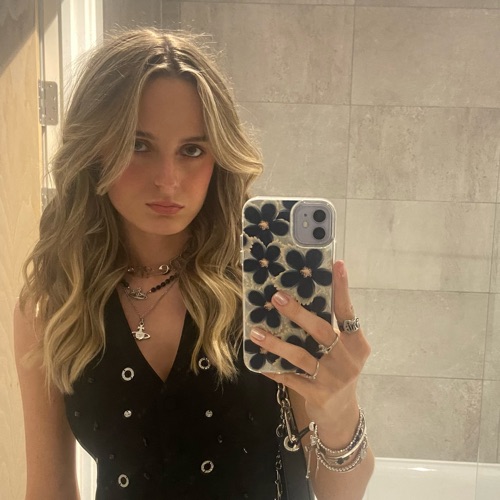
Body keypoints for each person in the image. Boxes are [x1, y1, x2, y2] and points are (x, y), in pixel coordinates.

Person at [14, 28, 374, 500]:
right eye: (138, 145)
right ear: (96, 149)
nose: (168, 180)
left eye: (192, 150)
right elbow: (50, 489)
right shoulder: (55, 303)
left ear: (218, 156)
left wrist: (340, 409)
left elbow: (339, 494)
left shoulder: (267, 285)